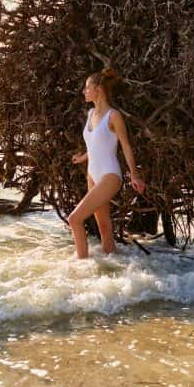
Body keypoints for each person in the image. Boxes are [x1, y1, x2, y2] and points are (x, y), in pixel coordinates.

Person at [68, 68, 146, 258]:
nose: (84, 91)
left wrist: (134, 175)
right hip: (92, 175)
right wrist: (83, 158)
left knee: (74, 219)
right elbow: (95, 143)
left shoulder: (114, 116)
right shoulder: (90, 114)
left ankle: (80, 267)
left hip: (110, 175)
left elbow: (126, 146)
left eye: (87, 87)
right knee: (104, 227)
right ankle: (112, 268)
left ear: (98, 89)